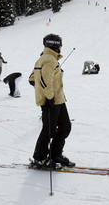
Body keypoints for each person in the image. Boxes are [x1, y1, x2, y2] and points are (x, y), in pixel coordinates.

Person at [28, 33, 75, 169]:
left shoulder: (47, 59)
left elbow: (32, 78)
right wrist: (48, 97)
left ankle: (55, 154)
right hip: (52, 101)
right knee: (49, 130)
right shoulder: (49, 60)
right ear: (54, 45)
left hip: (58, 100)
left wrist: (43, 88)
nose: (61, 46)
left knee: (65, 127)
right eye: (60, 44)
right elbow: (44, 80)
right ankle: (40, 158)